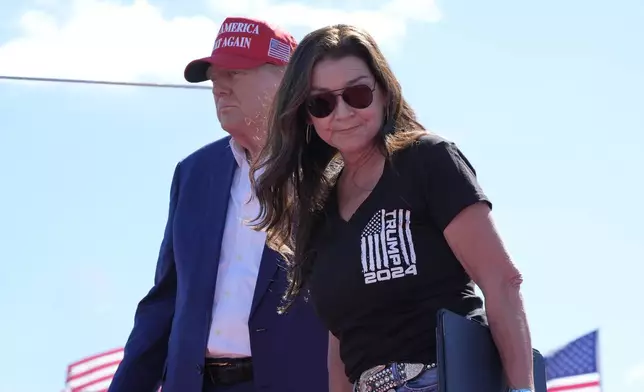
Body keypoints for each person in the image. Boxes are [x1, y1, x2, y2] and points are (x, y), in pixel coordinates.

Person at [250, 24, 534, 392]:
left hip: (444, 380)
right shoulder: (316, 210)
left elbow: (502, 281)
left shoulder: (428, 160)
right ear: (306, 115)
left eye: (357, 93)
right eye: (321, 102)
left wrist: (523, 389)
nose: (342, 112)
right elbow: (340, 344)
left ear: (383, 92)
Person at [108, 17, 328, 392]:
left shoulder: (332, 164)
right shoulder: (194, 173)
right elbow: (166, 302)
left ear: (286, 80)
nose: (219, 88)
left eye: (235, 73)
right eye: (214, 76)